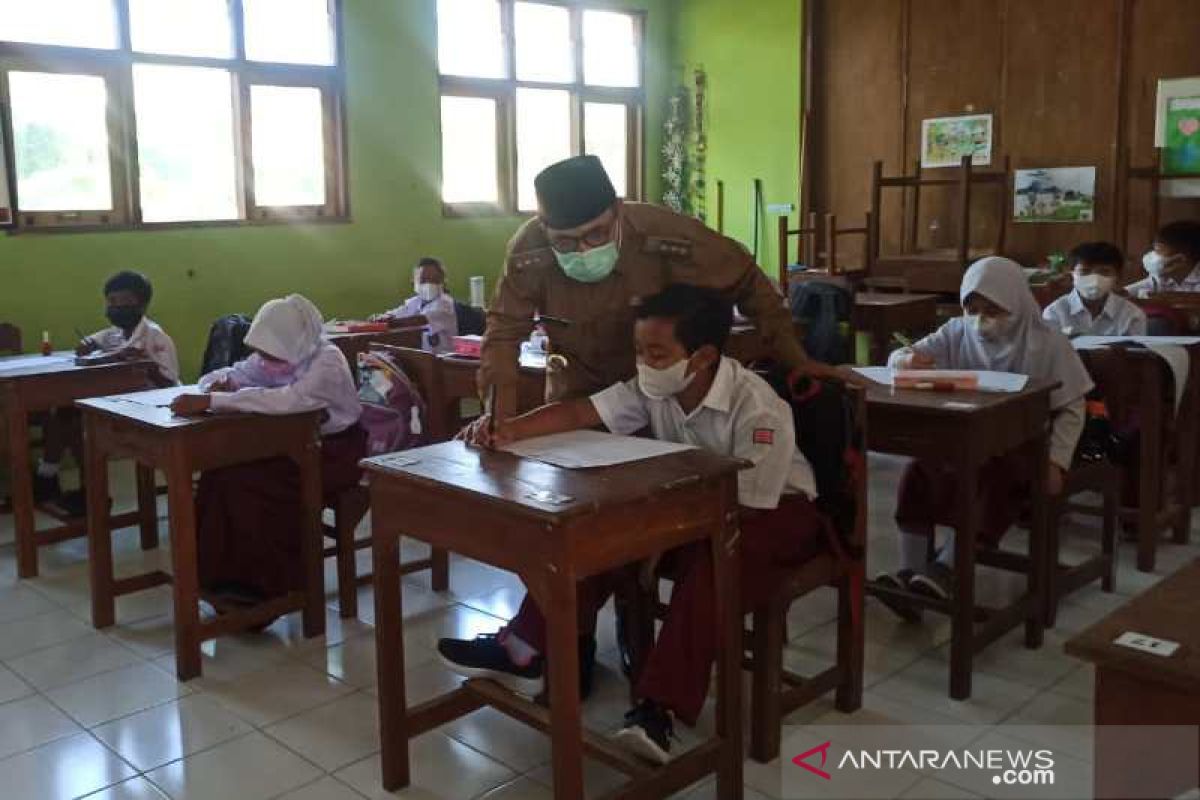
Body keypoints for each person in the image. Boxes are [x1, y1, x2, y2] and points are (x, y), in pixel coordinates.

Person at [439, 285, 822, 765]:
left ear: (702, 356)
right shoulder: (654, 387)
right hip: (695, 506)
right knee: (601, 536)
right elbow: (583, 411)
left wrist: (663, 537)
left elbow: (750, 501)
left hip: (774, 512)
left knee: (710, 566)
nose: (644, 363)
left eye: (657, 353)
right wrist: (509, 430)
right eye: (640, 350)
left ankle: (658, 710)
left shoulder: (758, 407)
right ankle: (524, 646)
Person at [876, 257, 1092, 609]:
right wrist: (904, 360)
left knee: (995, 477)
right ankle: (910, 573)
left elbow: (1072, 407)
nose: (981, 319)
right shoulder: (957, 331)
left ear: (1017, 304)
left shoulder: (1048, 342)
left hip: (1024, 444)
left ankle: (946, 569)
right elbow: (903, 356)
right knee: (919, 471)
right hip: (965, 437)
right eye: (972, 308)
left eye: (994, 309)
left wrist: (1057, 461)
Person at [169, 294, 364, 609]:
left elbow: (290, 400)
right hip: (288, 447)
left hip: (334, 453)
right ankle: (219, 578)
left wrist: (215, 402)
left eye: (267, 349)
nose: (262, 356)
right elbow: (237, 373)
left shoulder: (327, 360)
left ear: (292, 339)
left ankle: (271, 587)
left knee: (249, 484)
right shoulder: (274, 356)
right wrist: (220, 385)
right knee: (219, 473)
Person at [34, 270, 179, 516]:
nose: (116, 308)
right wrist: (87, 346)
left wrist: (147, 365)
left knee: (82, 421)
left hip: (150, 406)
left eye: (124, 302)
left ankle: (85, 491)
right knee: (66, 413)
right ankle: (58, 482)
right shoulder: (113, 333)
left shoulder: (156, 336)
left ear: (141, 304)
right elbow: (90, 343)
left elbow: (169, 383)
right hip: (118, 402)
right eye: (111, 302)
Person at [1042, 242, 1147, 336]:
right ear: (1071, 274)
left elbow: (1136, 355)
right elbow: (1050, 354)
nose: (1095, 279)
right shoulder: (1054, 313)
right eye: (1085, 271)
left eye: (1104, 272)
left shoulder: (1133, 315)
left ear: (1117, 277)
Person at [371, 257, 458, 353]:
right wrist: (382, 317)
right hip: (421, 357)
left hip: (442, 361)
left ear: (443, 283)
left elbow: (419, 320)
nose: (429, 284)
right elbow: (396, 314)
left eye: (435, 280)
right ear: (414, 282)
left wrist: (389, 321)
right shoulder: (415, 302)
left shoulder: (445, 304)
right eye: (423, 280)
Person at [1126, 220, 1200, 296]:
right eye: (1154, 251)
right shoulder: (1162, 277)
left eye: (1159, 252)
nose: (1152, 257)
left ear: (1180, 259)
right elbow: (1127, 292)